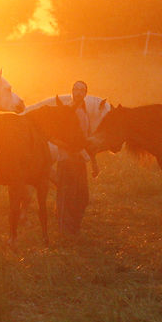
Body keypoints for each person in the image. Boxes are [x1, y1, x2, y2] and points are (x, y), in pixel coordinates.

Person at [56, 80, 91, 234]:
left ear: (85, 94)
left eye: (81, 90)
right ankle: (65, 230)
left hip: (80, 161)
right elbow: (56, 137)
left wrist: (92, 161)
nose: (78, 92)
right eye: (75, 89)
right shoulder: (66, 111)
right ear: (72, 91)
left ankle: (75, 227)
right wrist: (73, 149)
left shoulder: (84, 112)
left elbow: (85, 139)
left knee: (82, 196)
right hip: (66, 160)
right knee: (67, 196)